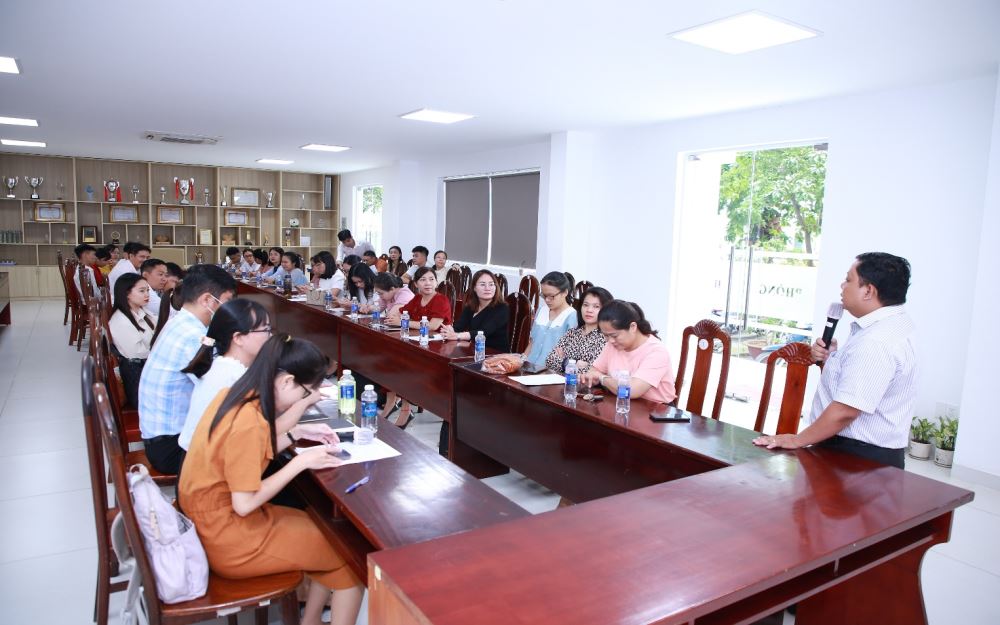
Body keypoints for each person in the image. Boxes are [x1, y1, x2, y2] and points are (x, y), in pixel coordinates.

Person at [179, 334, 364, 625]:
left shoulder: (234, 395)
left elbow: (246, 453)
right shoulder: (248, 421)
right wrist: (301, 462)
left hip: (209, 521)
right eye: (306, 393)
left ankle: (311, 620)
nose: (303, 400)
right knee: (351, 555)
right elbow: (244, 503)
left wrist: (296, 433)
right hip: (229, 537)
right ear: (287, 381)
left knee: (331, 531)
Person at [753, 253, 917, 469]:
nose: (842, 286)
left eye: (848, 280)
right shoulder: (894, 325)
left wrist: (797, 440)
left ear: (868, 291)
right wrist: (831, 360)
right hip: (864, 453)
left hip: (856, 458)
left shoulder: (875, 341)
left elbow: (846, 410)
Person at [138, 264, 237, 475]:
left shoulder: (181, 322)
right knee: (256, 450)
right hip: (171, 447)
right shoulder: (193, 336)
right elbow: (223, 392)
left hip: (162, 437)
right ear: (207, 300)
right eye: (227, 302)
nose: (229, 310)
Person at [177, 299, 272, 451]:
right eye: (265, 330)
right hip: (204, 461)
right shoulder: (234, 376)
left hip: (197, 454)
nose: (270, 336)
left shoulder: (223, 364)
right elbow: (260, 435)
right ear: (238, 338)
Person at [384, 267, 452, 427]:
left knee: (404, 364)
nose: (428, 283)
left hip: (438, 348)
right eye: (423, 280)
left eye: (431, 279)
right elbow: (400, 313)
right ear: (415, 284)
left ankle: (405, 409)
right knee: (389, 359)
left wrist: (404, 322)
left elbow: (433, 326)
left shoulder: (441, 300)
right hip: (417, 344)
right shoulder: (417, 299)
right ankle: (393, 403)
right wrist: (397, 317)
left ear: (437, 282)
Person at [579, 300, 677, 404]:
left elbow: (631, 390)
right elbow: (595, 370)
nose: (610, 340)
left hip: (655, 408)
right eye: (606, 335)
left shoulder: (656, 352)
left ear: (633, 327)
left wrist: (601, 378)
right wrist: (591, 377)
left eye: (614, 335)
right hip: (620, 403)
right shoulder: (612, 345)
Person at [108, 273, 157, 408]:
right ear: (127, 293)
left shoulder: (141, 311)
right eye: (142, 291)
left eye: (147, 290)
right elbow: (138, 353)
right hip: (139, 382)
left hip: (147, 370)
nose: (147, 294)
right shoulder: (120, 321)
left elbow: (159, 326)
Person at [545, 286, 614, 373]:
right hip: (562, 380)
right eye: (585, 305)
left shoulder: (605, 338)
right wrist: (572, 363)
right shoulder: (572, 332)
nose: (589, 310)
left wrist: (564, 361)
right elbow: (550, 360)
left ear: (606, 310)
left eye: (596, 306)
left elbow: (594, 372)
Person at [441, 269, 509, 351]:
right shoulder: (470, 307)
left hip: (496, 353)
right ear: (474, 288)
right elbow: (459, 327)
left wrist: (457, 336)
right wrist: (449, 330)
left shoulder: (502, 308)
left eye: (491, 284)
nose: (487, 288)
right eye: (482, 284)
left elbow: (483, 332)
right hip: (474, 350)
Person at [521, 271, 577, 369]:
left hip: (550, 371)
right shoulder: (541, 310)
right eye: (544, 296)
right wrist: (522, 359)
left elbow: (570, 354)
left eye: (551, 296)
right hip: (530, 366)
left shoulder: (572, 316)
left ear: (565, 292)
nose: (547, 300)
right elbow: (532, 342)